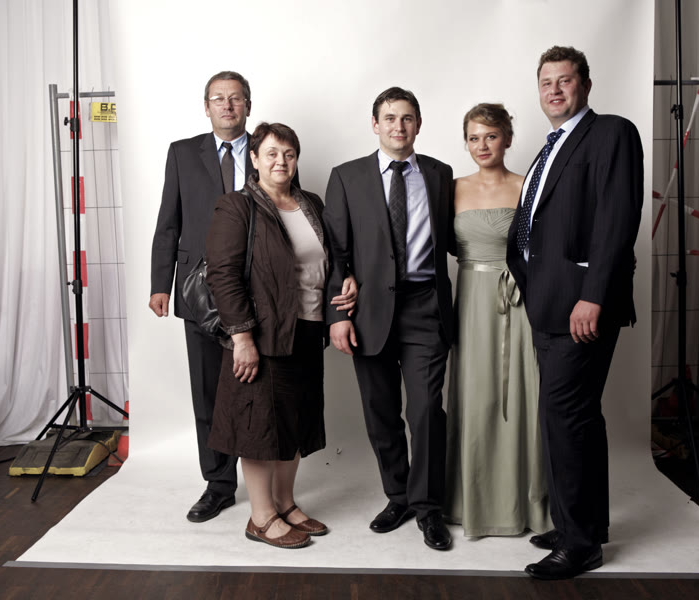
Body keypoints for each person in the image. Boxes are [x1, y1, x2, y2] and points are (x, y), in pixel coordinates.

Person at [506, 46, 643, 579]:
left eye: (565, 81)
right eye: (547, 83)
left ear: (585, 84)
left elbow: (617, 217)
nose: (555, 90)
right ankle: (581, 524)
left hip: (583, 306)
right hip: (548, 305)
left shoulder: (611, 132)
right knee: (574, 418)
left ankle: (579, 545)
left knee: (565, 418)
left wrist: (594, 294)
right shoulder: (550, 148)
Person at [205, 122, 354, 549]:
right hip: (262, 334)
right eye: (271, 153)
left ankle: (286, 504)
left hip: (307, 328)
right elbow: (223, 276)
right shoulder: (237, 206)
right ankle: (261, 516)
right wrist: (242, 339)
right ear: (253, 158)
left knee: (295, 421)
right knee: (259, 425)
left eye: (288, 154)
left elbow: (330, 259)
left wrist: (347, 280)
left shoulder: (311, 203)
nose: (280, 161)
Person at [324, 87, 456, 551]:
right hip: (368, 311)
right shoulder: (347, 177)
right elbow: (335, 252)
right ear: (375, 124)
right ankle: (398, 496)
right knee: (380, 412)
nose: (399, 126)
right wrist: (336, 317)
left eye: (407, 118)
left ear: (418, 124)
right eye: (390, 118)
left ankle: (428, 506)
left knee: (425, 411)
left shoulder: (440, 174)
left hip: (425, 306)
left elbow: (458, 236)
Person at [149, 71, 254, 523]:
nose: (227, 106)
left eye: (235, 98)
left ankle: (267, 485)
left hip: (254, 289)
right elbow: (168, 222)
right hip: (197, 290)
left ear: (248, 105)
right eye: (218, 98)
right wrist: (160, 283)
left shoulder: (269, 149)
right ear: (206, 106)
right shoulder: (182, 153)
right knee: (208, 392)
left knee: (255, 390)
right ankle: (219, 484)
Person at [444, 103, 551, 537]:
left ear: (507, 138)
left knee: (524, 395)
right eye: (474, 138)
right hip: (471, 301)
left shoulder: (528, 185)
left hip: (519, 302)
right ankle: (471, 501)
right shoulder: (451, 188)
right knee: (475, 397)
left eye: (490, 136)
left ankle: (524, 504)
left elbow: (546, 245)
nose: (482, 145)